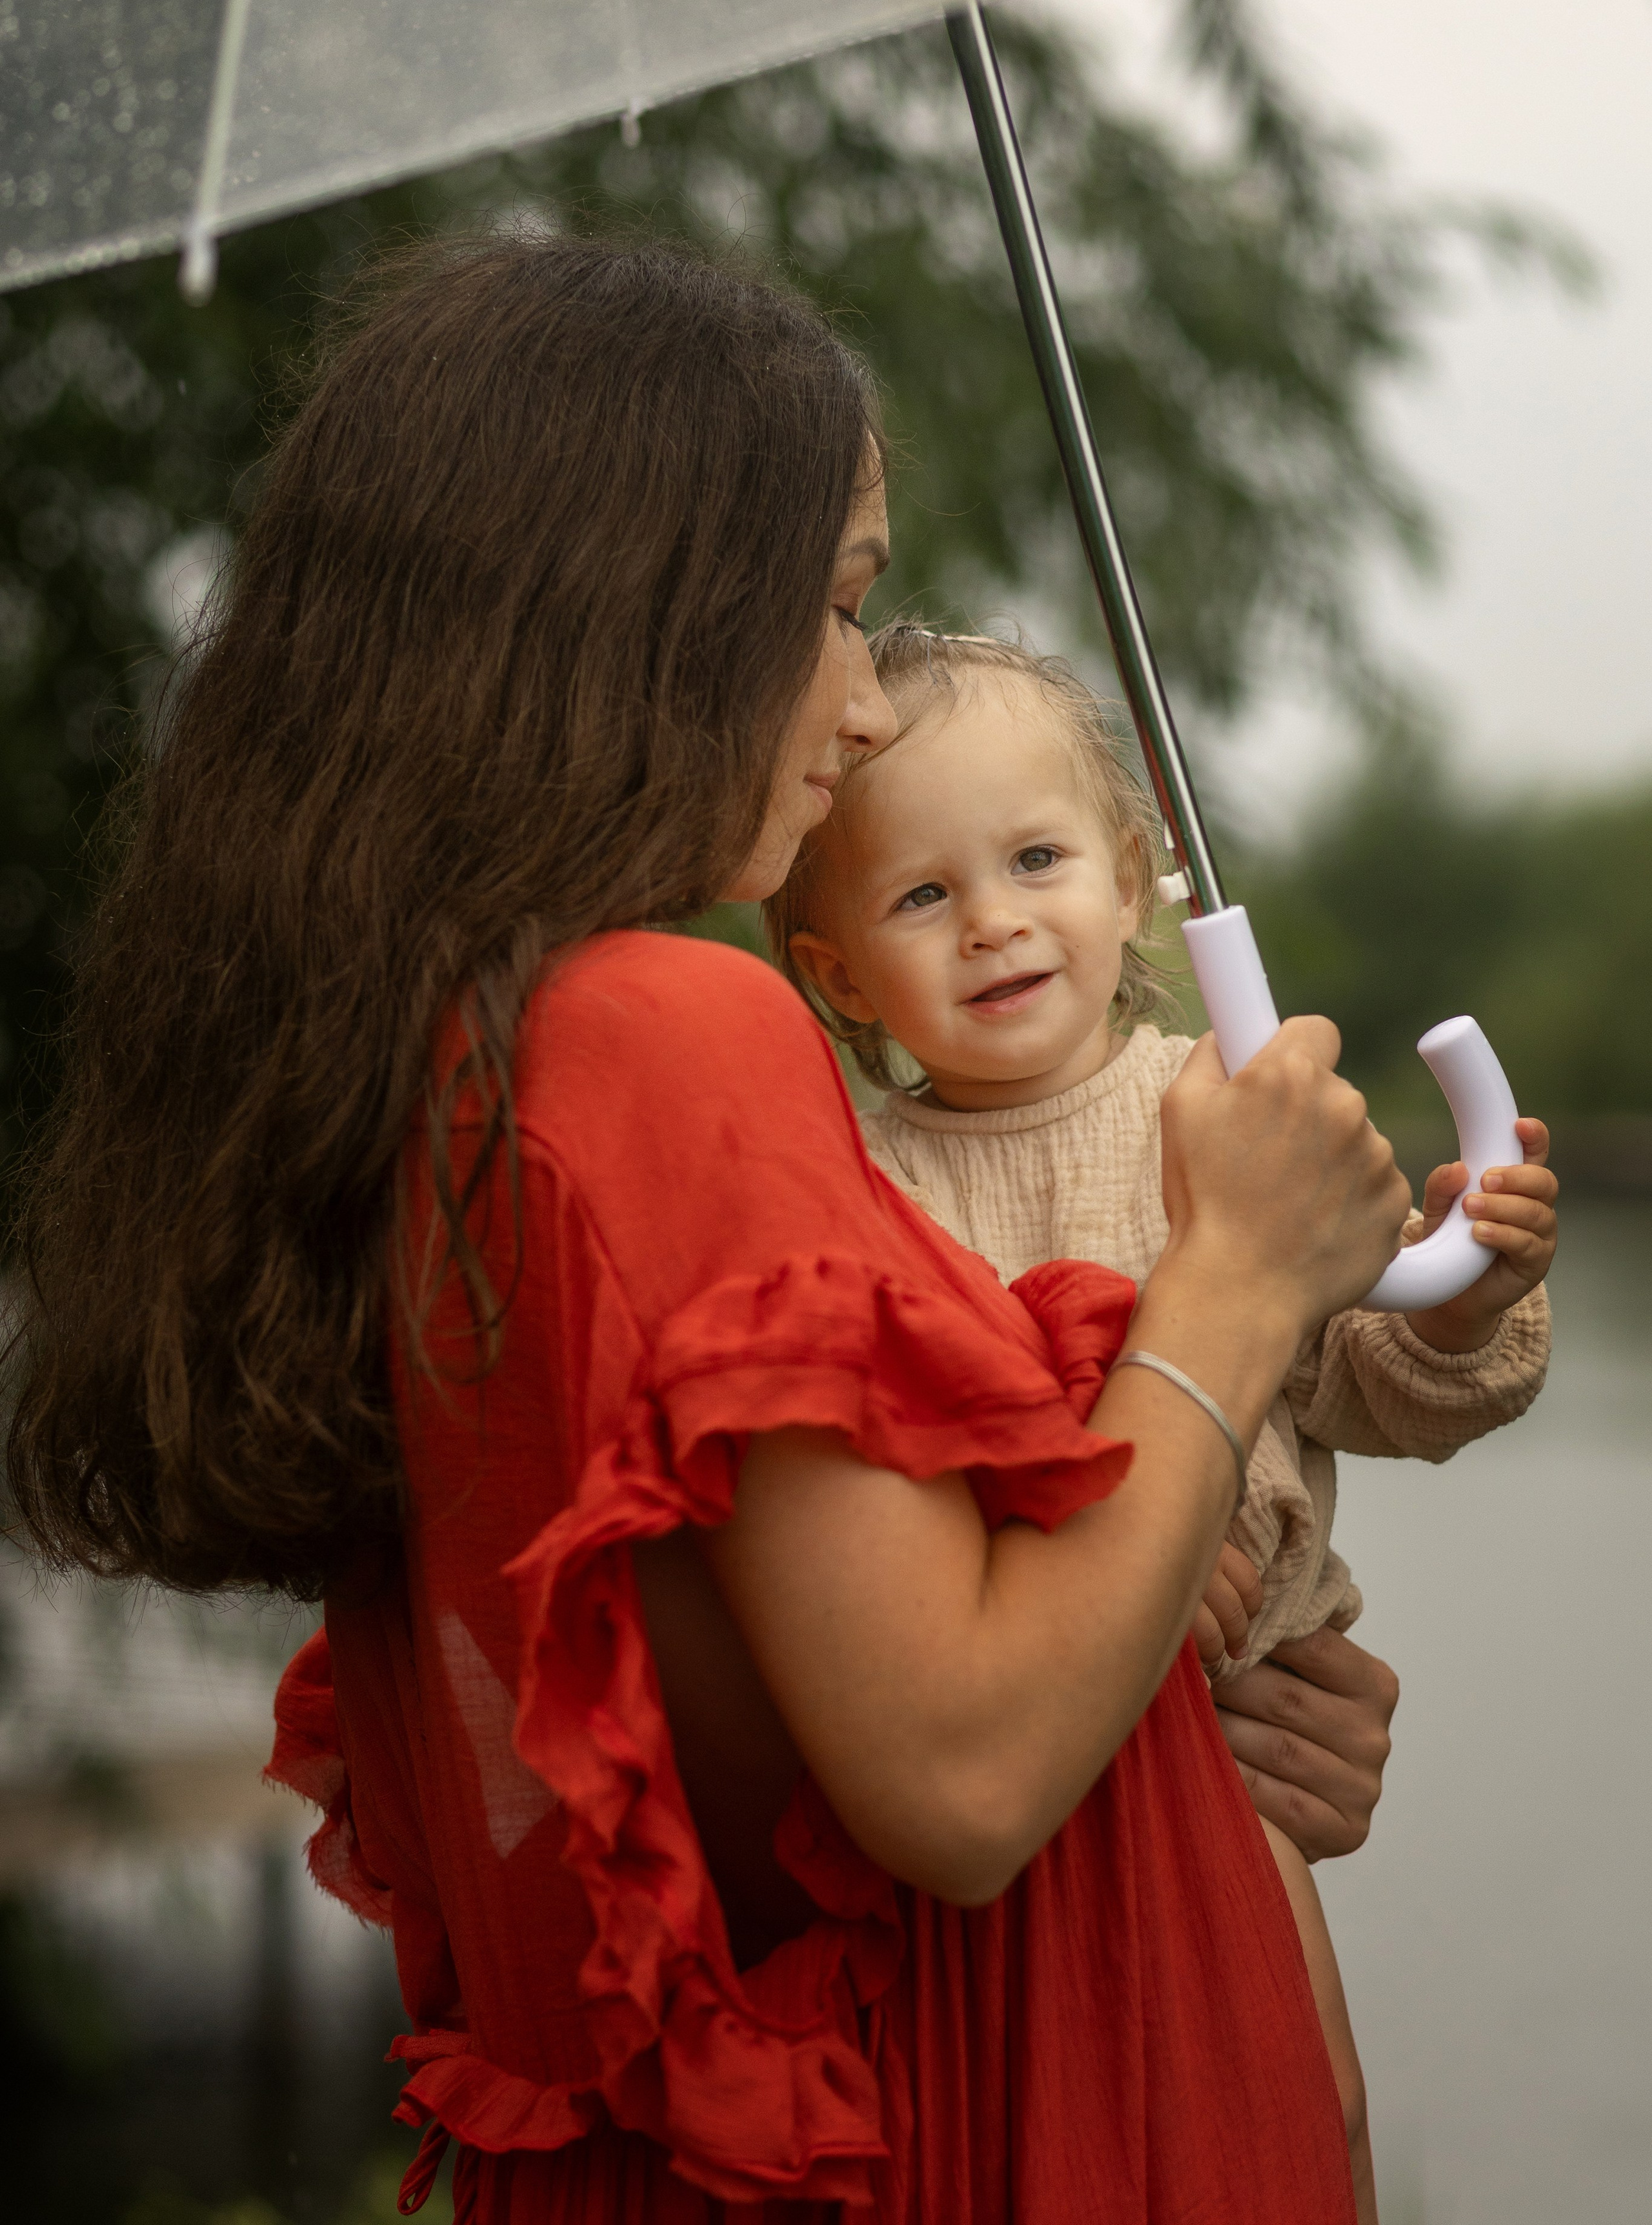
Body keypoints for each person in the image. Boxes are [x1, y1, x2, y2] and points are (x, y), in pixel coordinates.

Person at [9, 235, 1409, 2225]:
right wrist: (1246, 1277)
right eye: (838, 608)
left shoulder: (432, 1080)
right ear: (637, 625)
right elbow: (960, 1773)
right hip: (991, 2140)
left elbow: (758, 1734)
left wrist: (1194, 1712)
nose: (862, 704)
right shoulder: (669, 1028)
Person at [769, 623, 1559, 2222]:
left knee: (1300, 2107)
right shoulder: (847, 1173)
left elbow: (1376, 1378)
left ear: (1130, 882)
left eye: (1036, 859)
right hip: (1007, 1707)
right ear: (836, 971)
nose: (993, 922)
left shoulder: (1228, 1112)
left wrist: (1461, 1295)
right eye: (922, 896)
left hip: (1230, 1754)